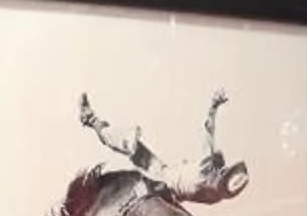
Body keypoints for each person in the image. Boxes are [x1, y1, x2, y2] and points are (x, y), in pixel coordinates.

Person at [78, 88, 251, 205]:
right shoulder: (214, 196)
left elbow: (207, 134)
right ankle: (93, 121)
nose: (219, 172)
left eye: (221, 174)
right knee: (129, 143)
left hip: (161, 179)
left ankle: (92, 120)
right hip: (167, 184)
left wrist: (213, 107)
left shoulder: (205, 172)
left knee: (129, 142)